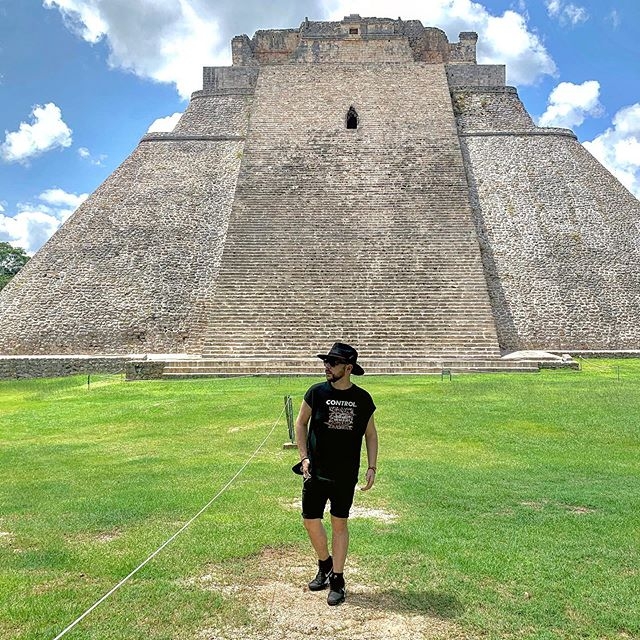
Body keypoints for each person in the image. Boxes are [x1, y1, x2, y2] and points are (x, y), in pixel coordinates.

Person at [294, 342, 378, 606]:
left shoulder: (362, 399)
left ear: (348, 367)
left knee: (339, 524)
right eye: (326, 362)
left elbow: (371, 435)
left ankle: (338, 580)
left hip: (344, 474)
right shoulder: (316, 393)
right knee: (310, 520)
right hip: (315, 471)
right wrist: (304, 457)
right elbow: (300, 423)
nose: (326, 366)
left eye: (332, 362)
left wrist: (372, 466)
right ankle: (325, 564)